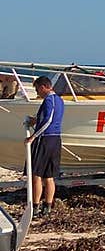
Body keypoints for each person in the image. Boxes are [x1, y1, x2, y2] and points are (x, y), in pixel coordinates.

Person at [26, 75, 64, 217]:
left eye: (37, 90)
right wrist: (34, 120)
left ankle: (35, 207)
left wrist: (33, 136)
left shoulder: (50, 100)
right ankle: (47, 207)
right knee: (49, 176)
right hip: (55, 140)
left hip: (46, 140)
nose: (37, 93)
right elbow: (47, 118)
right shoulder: (59, 100)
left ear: (43, 87)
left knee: (36, 175)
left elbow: (48, 121)